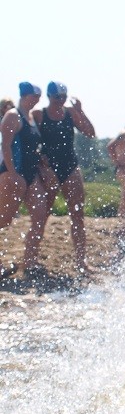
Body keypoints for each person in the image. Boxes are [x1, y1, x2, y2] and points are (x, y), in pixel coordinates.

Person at [24, 82, 96, 275]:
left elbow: (90, 133)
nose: (61, 100)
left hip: (70, 167)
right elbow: (29, 141)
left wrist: (80, 111)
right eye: (57, 97)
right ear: (49, 96)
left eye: (64, 97)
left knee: (78, 215)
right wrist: (40, 161)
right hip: (49, 169)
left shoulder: (70, 113)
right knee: (42, 216)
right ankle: (30, 260)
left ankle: (81, 261)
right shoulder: (39, 115)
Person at [0, 83, 44, 276]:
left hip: (31, 175)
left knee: (40, 217)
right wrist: (13, 174)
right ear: (26, 96)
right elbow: (6, 146)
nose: (38, 99)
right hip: (12, 174)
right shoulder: (13, 115)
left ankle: (30, 262)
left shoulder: (32, 117)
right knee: (4, 220)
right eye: (36, 95)